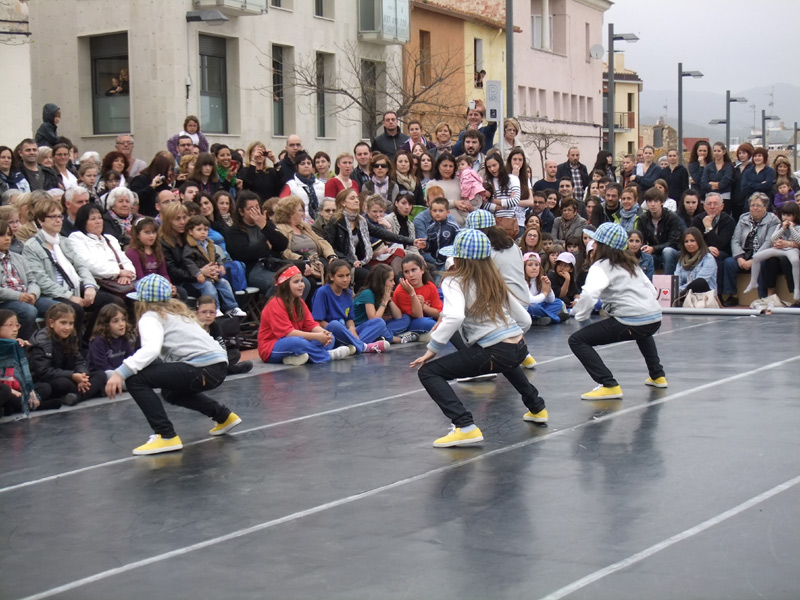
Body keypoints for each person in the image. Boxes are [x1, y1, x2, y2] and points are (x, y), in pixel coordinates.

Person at [411, 229, 548, 448]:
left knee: (429, 372)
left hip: (496, 351)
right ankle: (538, 408)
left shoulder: (454, 281)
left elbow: (455, 316)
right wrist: (513, 336)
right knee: (507, 360)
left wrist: (433, 347)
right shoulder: (495, 279)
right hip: (519, 347)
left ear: (459, 258)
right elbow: (525, 320)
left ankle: (465, 427)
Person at [104, 274, 241, 455]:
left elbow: (151, 350)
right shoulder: (178, 312)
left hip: (201, 368)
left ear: (141, 302)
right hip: (217, 367)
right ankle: (223, 416)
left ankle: (166, 435)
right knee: (171, 392)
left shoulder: (150, 317)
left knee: (135, 379)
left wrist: (120, 372)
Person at [568, 222, 666, 401]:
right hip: (654, 318)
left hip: (630, 320)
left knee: (577, 340)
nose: (593, 245)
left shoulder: (601, 266)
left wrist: (580, 317)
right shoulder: (631, 263)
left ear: (602, 246)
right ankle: (657, 375)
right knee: (642, 330)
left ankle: (608, 385)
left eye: (595, 241)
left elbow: (589, 294)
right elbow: (651, 290)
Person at [257, 264, 352, 365]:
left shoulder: (300, 302)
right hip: (272, 347)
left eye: (302, 281)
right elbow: (288, 333)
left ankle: (295, 358)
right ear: (285, 285)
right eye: (296, 282)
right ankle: (327, 356)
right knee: (296, 342)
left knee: (330, 338)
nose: (301, 285)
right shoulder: (275, 303)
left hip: (297, 340)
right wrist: (316, 336)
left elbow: (311, 324)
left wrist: (324, 334)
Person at [29, 303, 106, 406]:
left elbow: (79, 360)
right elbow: (44, 372)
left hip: (70, 375)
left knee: (101, 374)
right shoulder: (41, 341)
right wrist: (72, 376)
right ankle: (93, 391)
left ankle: (76, 397)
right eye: (63, 323)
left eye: (71, 323)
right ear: (51, 323)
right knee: (63, 383)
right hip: (48, 381)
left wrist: (82, 375)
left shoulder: (71, 336)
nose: (68, 327)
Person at [310, 259, 390, 355]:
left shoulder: (347, 293)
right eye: (340, 276)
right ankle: (363, 346)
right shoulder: (322, 292)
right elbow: (318, 321)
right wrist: (341, 330)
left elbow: (349, 318)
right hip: (331, 332)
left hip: (346, 330)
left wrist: (352, 329)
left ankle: (352, 346)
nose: (345, 279)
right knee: (335, 324)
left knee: (379, 322)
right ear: (331, 277)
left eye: (348, 275)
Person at [224, 191, 289, 297]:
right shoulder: (234, 231)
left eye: (257, 207)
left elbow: (282, 244)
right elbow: (244, 254)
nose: (256, 211)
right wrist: (267, 246)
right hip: (252, 270)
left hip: (272, 265)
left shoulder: (266, 225)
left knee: (303, 282)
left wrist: (264, 227)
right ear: (241, 212)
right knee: (281, 285)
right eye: (250, 209)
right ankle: (271, 312)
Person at [721, 192, 780, 306]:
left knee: (764, 264)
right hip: (744, 254)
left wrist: (754, 259)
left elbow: (769, 242)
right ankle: (733, 296)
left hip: (761, 254)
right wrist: (739, 258)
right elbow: (735, 240)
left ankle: (762, 297)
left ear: (765, 208)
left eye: (758, 205)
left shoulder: (773, 220)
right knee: (728, 263)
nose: (755, 208)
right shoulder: (743, 218)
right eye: (752, 205)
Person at [68, 204, 136, 299]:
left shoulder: (110, 239)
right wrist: (118, 272)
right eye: (93, 219)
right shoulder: (76, 238)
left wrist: (127, 275)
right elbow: (89, 264)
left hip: (119, 282)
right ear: (83, 222)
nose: (98, 222)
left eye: (100, 218)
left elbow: (125, 260)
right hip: (97, 283)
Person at [182, 215, 246, 317]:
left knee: (224, 283)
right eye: (199, 229)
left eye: (205, 229)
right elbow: (188, 262)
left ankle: (232, 307)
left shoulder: (209, 244)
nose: (203, 232)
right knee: (208, 287)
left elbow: (216, 256)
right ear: (190, 231)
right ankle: (214, 309)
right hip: (198, 279)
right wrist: (198, 273)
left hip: (213, 275)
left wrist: (221, 265)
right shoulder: (190, 247)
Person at [0, 310, 59, 414]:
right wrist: (11, 391)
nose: (15, 329)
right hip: (6, 389)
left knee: (45, 387)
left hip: (17, 388)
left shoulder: (16, 345)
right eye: (10, 325)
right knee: (5, 392)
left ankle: (15, 407)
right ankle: (38, 406)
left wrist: (23, 351)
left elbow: (22, 375)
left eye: (17, 325)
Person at [743, 202, 800, 306]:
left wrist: (791, 229)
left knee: (794, 261)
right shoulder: (779, 226)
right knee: (758, 257)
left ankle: (797, 289)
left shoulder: (797, 227)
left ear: (795, 216)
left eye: (789, 215)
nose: (786, 218)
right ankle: (754, 282)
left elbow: (798, 240)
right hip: (779, 249)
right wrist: (782, 229)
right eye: (784, 215)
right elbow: (773, 239)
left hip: (792, 250)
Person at [353, 264, 419, 345]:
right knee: (380, 323)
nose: (394, 283)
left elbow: (398, 316)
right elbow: (373, 319)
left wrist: (389, 300)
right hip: (360, 329)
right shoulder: (367, 293)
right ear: (381, 282)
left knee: (405, 318)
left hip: (375, 326)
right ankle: (396, 339)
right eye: (391, 280)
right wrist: (384, 301)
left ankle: (380, 337)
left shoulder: (381, 293)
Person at [0, 220, 41, 340]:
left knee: (58, 308)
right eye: (2, 235)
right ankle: (21, 346)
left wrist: (33, 294)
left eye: (9, 234)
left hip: (27, 297)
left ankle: (46, 349)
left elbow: (32, 280)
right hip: (5, 301)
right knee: (28, 312)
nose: (7, 238)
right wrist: (18, 296)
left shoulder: (18, 257)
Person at [195, 296, 254, 376]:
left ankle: (219, 369)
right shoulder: (193, 327)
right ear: (197, 312)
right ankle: (228, 370)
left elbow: (222, 345)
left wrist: (222, 358)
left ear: (216, 313)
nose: (208, 315)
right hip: (198, 360)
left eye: (211, 312)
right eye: (204, 312)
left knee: (235, 353)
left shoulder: (215, 325)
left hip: (214, 359)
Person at [690, 192, 734, 292]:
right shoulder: (698, 219)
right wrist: (706, 249)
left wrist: (708, 227)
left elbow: (720, 244)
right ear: (704, 206)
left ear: (722, 206)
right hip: (701, 250)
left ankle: (717, 293)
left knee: (714, 256)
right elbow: (692, 240)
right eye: (709, 204)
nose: (712, 207)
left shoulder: (728, 221)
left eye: (715, 204)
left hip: (721, 252)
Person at [638, 187, 685, 275]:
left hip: (671, 252)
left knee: (667, 251)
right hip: (652, 252)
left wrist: (654, 248)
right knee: (641, 252)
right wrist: (645, 247)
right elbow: (640, 239)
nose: (652, 204)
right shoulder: (643, 218)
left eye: (656, 201)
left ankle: (668, 281)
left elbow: (673, 242)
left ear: (662, 202)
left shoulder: (672, 217)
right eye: (649, 201)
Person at [87, 304, 134, 379]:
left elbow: (130, 357)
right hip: (103, 376)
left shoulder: (124, 338)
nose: (121, 324)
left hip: (120, 374)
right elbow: (102, 365)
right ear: (106, 324)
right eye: (116, 321)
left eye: (123, 319)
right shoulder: (98, 341)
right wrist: (118, 376)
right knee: (107, 373)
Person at [481, 152, 521, 238]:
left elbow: (515, 201)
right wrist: (501, 206)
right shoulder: (487, 182)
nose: (492, 169)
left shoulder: (512, 179)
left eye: (494, 165)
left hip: (510, 221)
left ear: (500, 164)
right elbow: (483, 203)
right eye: (489, 167)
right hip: (494, 222)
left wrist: (494, 201)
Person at [675, 227, 717, 300]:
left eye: (692, 241)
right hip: (685, 294)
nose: (689, 244)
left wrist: (681, 292)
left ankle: (678, 297)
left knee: (699, 282)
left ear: (699, 241)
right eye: (686, 241)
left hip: (704, 295)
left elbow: (700, 282)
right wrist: (677, 290)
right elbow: (677, 281)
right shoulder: (681, 260)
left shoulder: (708, 258)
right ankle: (678, 297)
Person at [128, 153, 175, 217]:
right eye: (169, 170)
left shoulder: (163, 184)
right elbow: (135, 197)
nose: (170, 172)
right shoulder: (140, 179)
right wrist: (151, 187)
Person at [523, 251, 564, 324]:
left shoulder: (540, 279)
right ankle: (556, 318)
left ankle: (538, 319)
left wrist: (549, 289)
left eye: (536, 265)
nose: (534, 268)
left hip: (538, 305)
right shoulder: (522, 281)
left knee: (558, 302)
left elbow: (550, 301)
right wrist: (544, 293)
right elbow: (530, 301)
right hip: (526, 307)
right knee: (532, 307)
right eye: (530, 265)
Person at [701, 142, 734, 211]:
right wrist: (717, 185)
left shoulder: (729, 166)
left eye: (719, 151)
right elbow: (703, 184)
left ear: (724, 152)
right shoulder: (708, 167)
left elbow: (725, 183)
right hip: (710, 197)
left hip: (725, 198)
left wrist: (711, 183)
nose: (716, 153)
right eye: (715, 151)